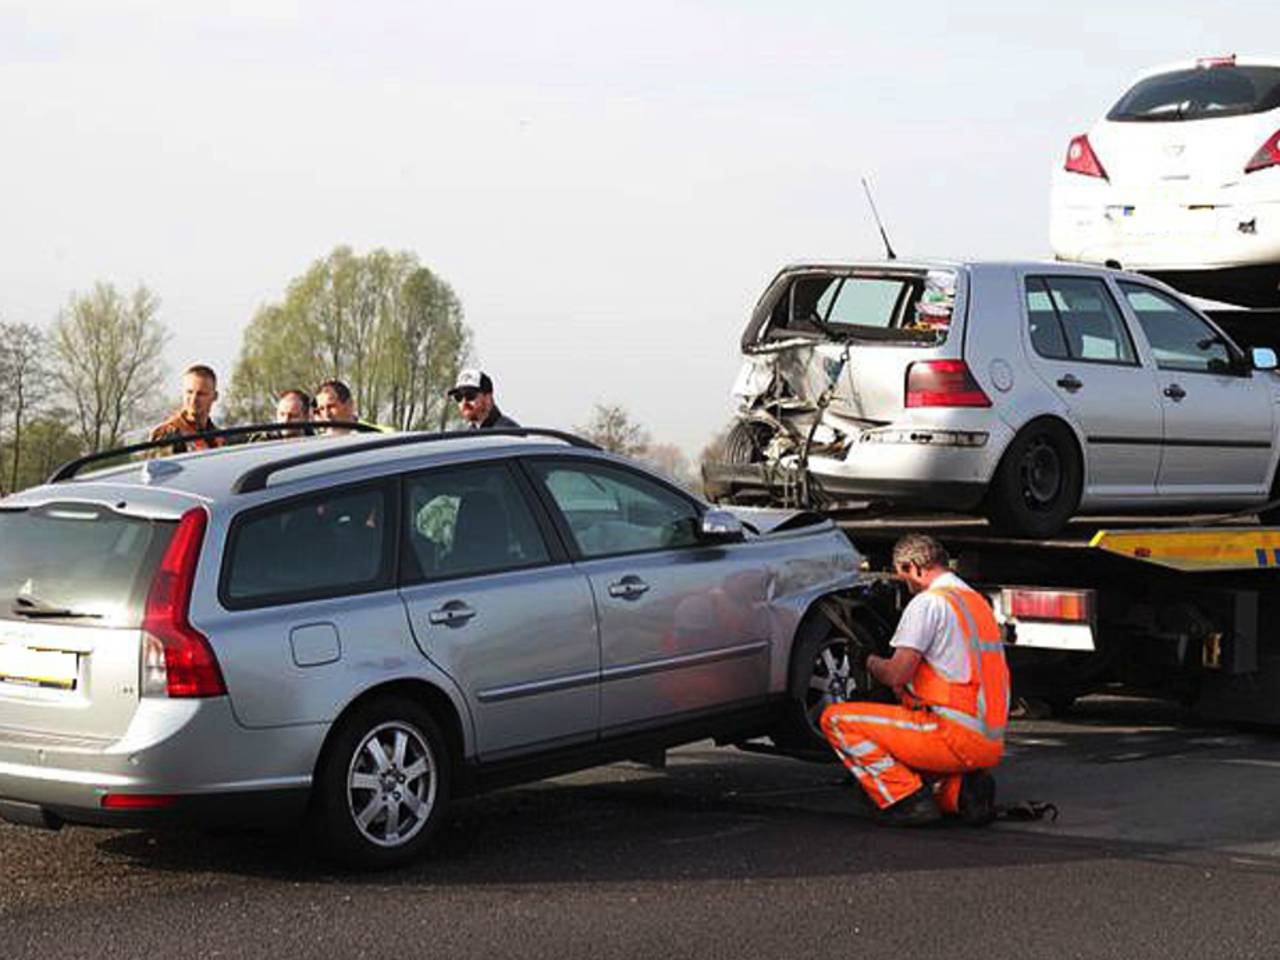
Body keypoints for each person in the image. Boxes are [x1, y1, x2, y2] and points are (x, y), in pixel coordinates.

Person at [821, 533, 1010, 826]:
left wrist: (868, 661)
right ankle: (959, 790)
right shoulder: (976, 603)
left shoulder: (928, 604)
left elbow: (897, 673)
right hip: (987, 741)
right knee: (904, 724)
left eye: (904, 576)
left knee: (836, 719)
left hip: (950, 736)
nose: (907, 586)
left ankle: (906, 800)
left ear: (915, 567)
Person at [148, 364, 223, 455]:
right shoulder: (166, 435)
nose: (193, 399)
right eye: (189, 392)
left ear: (214, 397)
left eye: (201, 394)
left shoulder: (222, 437)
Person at [448, 369, 519, 430]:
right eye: (458, 397)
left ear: (488, 399)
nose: (464, 402)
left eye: (470, 395)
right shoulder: (468, 434)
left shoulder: (508, 432)